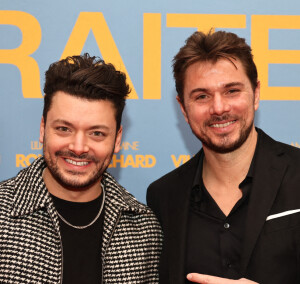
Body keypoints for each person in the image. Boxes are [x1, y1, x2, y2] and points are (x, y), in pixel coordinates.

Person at [147, 30, 300, 284]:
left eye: (231, 91)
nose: (219, 108)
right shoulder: (163, 197)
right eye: (202, 96)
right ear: (183, 109)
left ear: (256, 94)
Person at [0, 54, 162, 283]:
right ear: (43, 128)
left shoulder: (144, 229)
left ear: (117, 140)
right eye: (64, 129)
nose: (78, 148)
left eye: (97, 133)